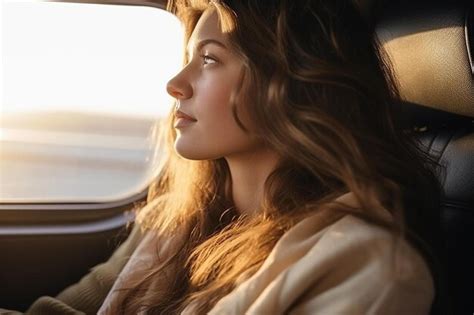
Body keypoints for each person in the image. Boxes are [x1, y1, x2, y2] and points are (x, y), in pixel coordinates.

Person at [1, 0, 446, 314]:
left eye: (209, 60)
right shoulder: (175, 222)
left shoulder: (365, 265)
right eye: (188, 58)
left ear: (290, 81)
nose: (176, 83)